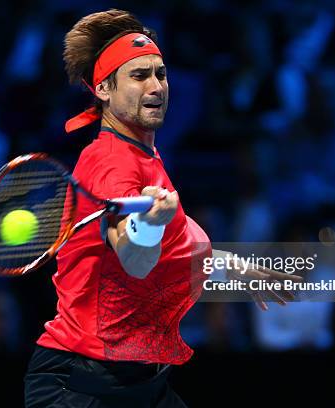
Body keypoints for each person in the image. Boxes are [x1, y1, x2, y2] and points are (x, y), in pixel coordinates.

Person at [24, 9, 300, 407]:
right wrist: (150, 224)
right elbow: (135, 261)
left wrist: (234, 267)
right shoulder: (110, 164)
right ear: (103, 89)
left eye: (161, 73)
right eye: (139, 76)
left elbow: (172, 251)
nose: (156, 86)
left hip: (138, 382)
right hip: (81, 387)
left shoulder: (144, 156)